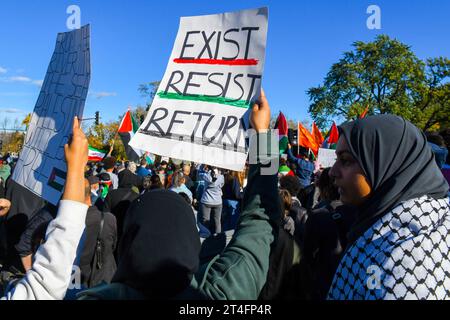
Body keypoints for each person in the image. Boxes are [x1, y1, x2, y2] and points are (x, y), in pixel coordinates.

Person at [76, 88, 281, 300]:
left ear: (128, 239)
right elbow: (261, 219)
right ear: (190, 237)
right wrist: (262, 136)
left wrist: (74, 168)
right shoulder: (220, 294)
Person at [327, 114, 450, 300]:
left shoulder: (404, 266)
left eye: (345, 160)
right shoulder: (397, 223)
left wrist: (265, 142)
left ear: (385, 163)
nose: (332, 172)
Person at [2, 116, 89, 300]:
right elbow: (44, 285)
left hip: (15, 260)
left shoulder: (13, 180)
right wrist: (76, 167)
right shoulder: (47, 195)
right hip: (24, 266)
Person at [199, 166, 225, 234]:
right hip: (218, 201)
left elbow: (199, 173)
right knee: (217, 221)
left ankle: (206, 237)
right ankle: (218, 237)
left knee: (206, 221)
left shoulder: (206, 175)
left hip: (206, 200)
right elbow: (221, 185)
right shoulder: (221, 176)